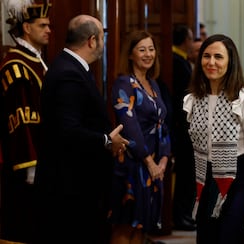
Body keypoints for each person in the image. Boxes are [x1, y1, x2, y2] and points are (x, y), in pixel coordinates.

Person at [33, 14, 129, 244]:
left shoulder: (71, 67)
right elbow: (67, 131)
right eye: (102, 39)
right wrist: (107, 140)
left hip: (77, 186)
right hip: (71, 190)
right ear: (92, 40)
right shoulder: (68, 73)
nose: (102, 45)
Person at [184, 34, 244, 244]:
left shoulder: (242, 99)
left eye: (218, 57)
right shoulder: (193, 99)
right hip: (206, 181)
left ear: (230, 61)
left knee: (231, 238)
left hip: (239, 179)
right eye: (206, 56)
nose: (211, 62)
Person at [109, 30, 171, 243]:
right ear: (130, 55)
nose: (148, 54)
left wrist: (163, 159)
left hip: (153, 166)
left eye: (151, 49)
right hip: (132, 164)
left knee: (141, 227)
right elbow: (129, 126)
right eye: (142, 49)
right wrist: (149, 161)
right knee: (125, 225)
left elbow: (162, 122)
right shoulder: (124, 84)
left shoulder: (153, 84)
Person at [0, 1, 51, 242]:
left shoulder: (36, 60)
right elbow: (22, 119)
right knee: (23, 224)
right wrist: (30, 164)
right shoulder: (16, 65)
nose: (48, 30)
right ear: (27, 28)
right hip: (24, 163)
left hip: (44, 159)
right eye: (43, 25)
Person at [171, 24, 197, 231]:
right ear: (185, 41)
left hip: (185, 125)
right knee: (184, 173)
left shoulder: (181, 61)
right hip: (182, 126)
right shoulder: (177, 62)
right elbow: (182, 97)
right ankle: (180, 215)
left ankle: (186, 214)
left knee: (188, 173)